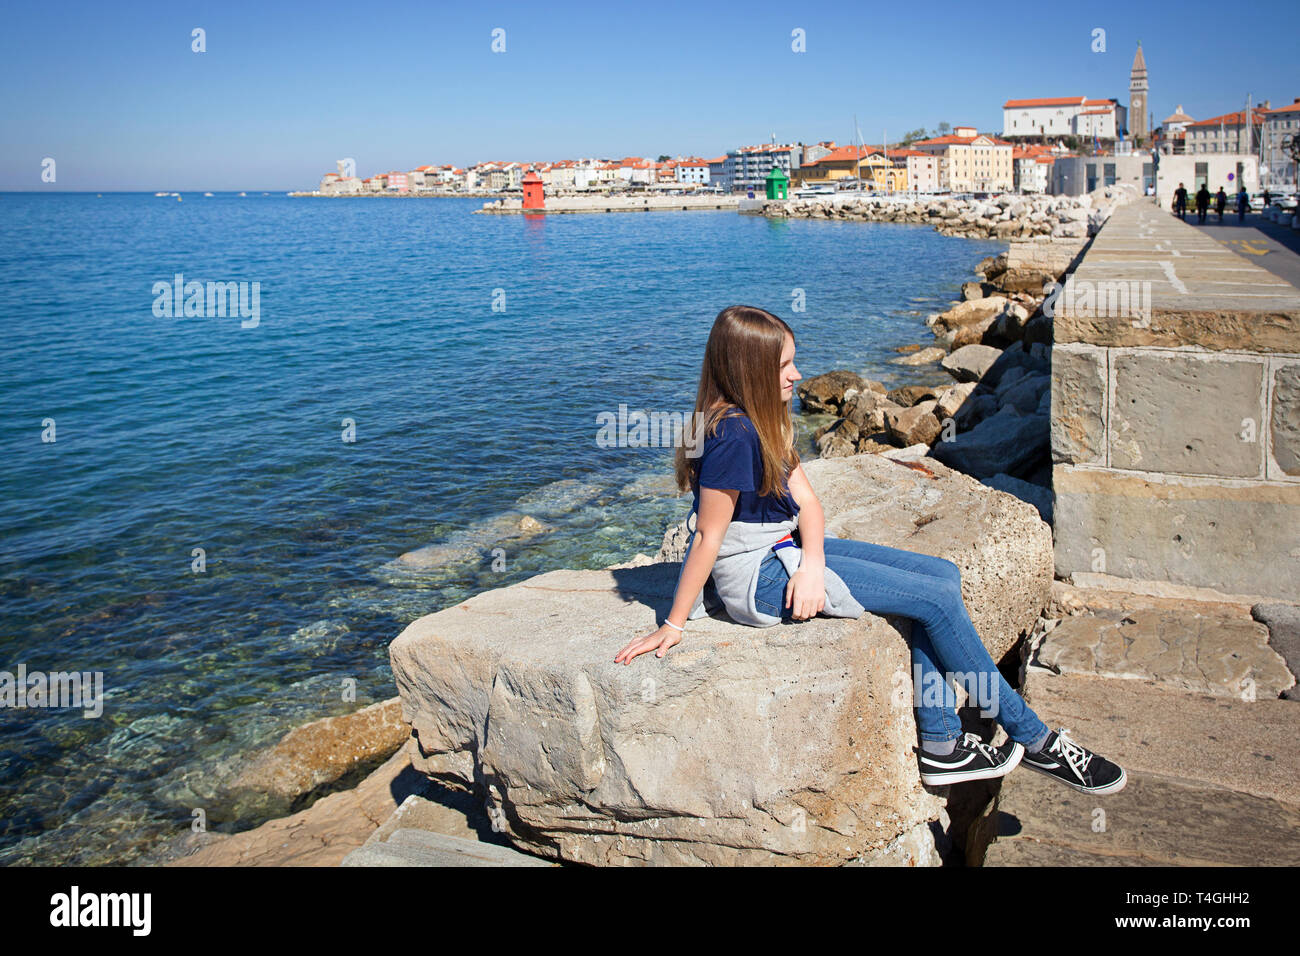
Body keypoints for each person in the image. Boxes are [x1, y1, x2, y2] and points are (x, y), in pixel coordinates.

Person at [614, 305, 1128, 795]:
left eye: (794, 360)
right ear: (747, 370)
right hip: (756, 577)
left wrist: (813, 566)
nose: (796, 375)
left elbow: (809, 505)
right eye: (783, 365)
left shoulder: (766, 418)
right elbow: (708, 537)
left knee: (944, 576)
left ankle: (944, 742)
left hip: (787, 551)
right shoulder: (731, 435)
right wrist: (673, 624)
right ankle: (1032, 738)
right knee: (934, 601)